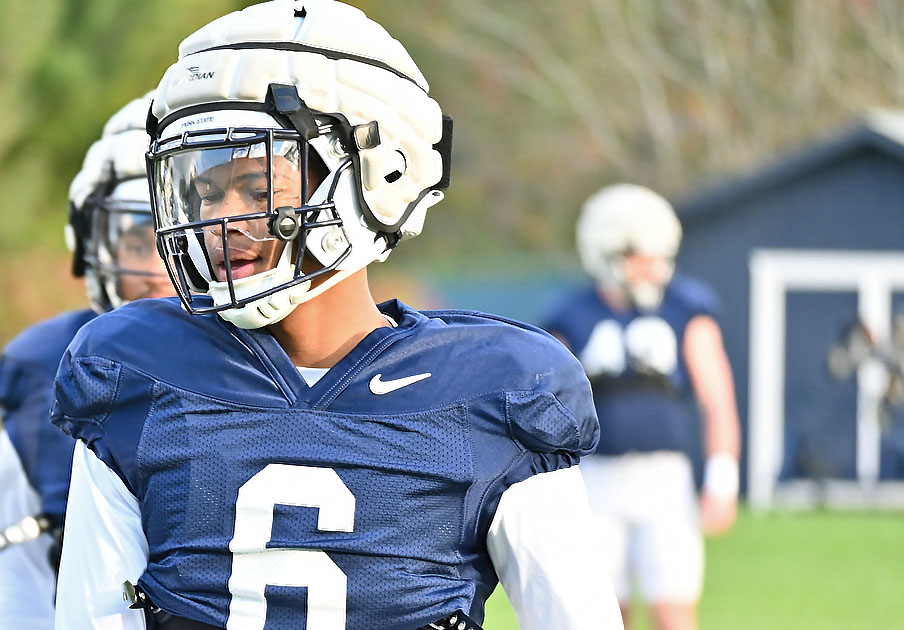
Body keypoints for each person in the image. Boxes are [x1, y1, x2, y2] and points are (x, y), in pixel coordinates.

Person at [51, 2, 623, 628]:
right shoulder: (138, 371)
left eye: (259, 187)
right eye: (207, 191)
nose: (222, 220)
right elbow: (91, 618)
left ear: (378, 174)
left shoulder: (497, 391)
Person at [0, 92, 176, 630]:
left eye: (177, 236)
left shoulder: (288, 363)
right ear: (91, 245)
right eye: (137, 241)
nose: (158, 269)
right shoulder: (52, 374)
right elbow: (9, 582)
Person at [541, 184, 741, 630]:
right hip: (596, 481)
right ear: (606, 253)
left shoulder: (687, 310)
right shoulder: (571, 316)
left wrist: (722, 478)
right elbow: (547, 410)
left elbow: (718, 399)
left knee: (674, 610)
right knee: (605, 613)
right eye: (638, 255)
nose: (651, 268)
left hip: (665, 481)